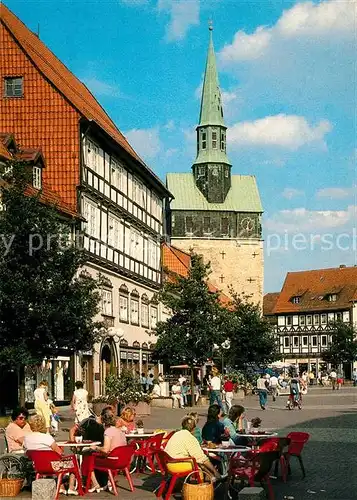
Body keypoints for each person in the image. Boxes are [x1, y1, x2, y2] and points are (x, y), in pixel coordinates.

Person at [24, 415, 78, 495]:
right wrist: (61, 450)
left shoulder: (27, 438)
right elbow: (59, 452)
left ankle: (61, 487)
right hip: (53, 466)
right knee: (73, 461)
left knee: (54, 460)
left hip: (38, 467)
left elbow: (26, 452)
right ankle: (71, 487)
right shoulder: (47, 437)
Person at [165, 416, 220, 481]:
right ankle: (209, 479)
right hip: (176, 465)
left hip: (167, 463)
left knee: (196, 460)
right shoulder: (189, 437)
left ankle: (211, 476)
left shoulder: (176, 434)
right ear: (194, 429)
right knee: (198, 461)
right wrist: (215, 471)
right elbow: (202, 458)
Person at [89, 413, 126, 493]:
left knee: (89, 458)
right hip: (123, 461)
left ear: (104, 423)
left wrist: (96, 448)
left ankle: (95, 484)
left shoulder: (108, 431)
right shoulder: (121, 431)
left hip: (113, 461)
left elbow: (106, 449)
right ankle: (106, 482)